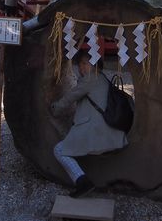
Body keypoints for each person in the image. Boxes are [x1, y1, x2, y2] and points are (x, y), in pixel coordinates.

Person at [50, 50, 128, 198]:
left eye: (85, 64)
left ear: (95, 64)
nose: (82, 68)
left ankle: (83, 182)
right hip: (108, 129)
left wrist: (54, 108)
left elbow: (70, 97)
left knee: (59, 150)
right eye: (80, 65)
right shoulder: (101, 78)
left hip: (98, 130)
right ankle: (83, 182)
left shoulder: (91, 79)